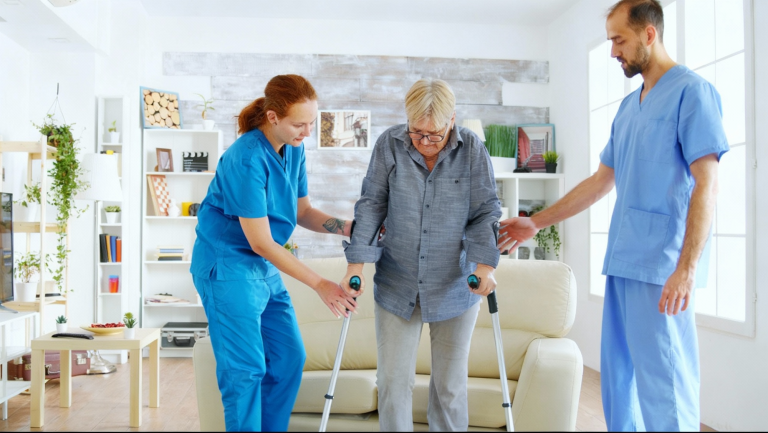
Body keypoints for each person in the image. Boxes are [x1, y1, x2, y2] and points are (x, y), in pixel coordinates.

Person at [498, 1, 729, 431]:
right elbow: (600, 182)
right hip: (623, 261)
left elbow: (707, 183)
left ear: (649, 34)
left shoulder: (692, 93)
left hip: (663, 266)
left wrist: (687, 268)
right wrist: (537, 221)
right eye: (609, 41)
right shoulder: (627, 110)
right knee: (618, 385)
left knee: (666, 384)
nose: (613, 52)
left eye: (619, 40)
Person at [190, 74, 358, 432]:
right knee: (245, 370)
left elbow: (302, 212)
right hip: (228, 264)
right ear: (273, 118)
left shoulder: (294, 149)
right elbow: (261, 242)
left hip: (260, 265)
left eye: (311, 123)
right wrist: (321, 284)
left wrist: (349, 227)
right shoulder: (246, 158)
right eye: (299, 124)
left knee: (287, 359)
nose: (307, 132)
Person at [342, 78, 502, 431]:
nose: (425, 142)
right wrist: (355, 266)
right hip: (397, 282)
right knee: (393, 385)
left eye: (435, 134)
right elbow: (371, 206)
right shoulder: (389, 144)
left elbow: (485, 211)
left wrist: (485, 265)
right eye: (417, 133)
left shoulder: (473, 149)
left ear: (452, 120)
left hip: (455, 285)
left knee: (449, 389)